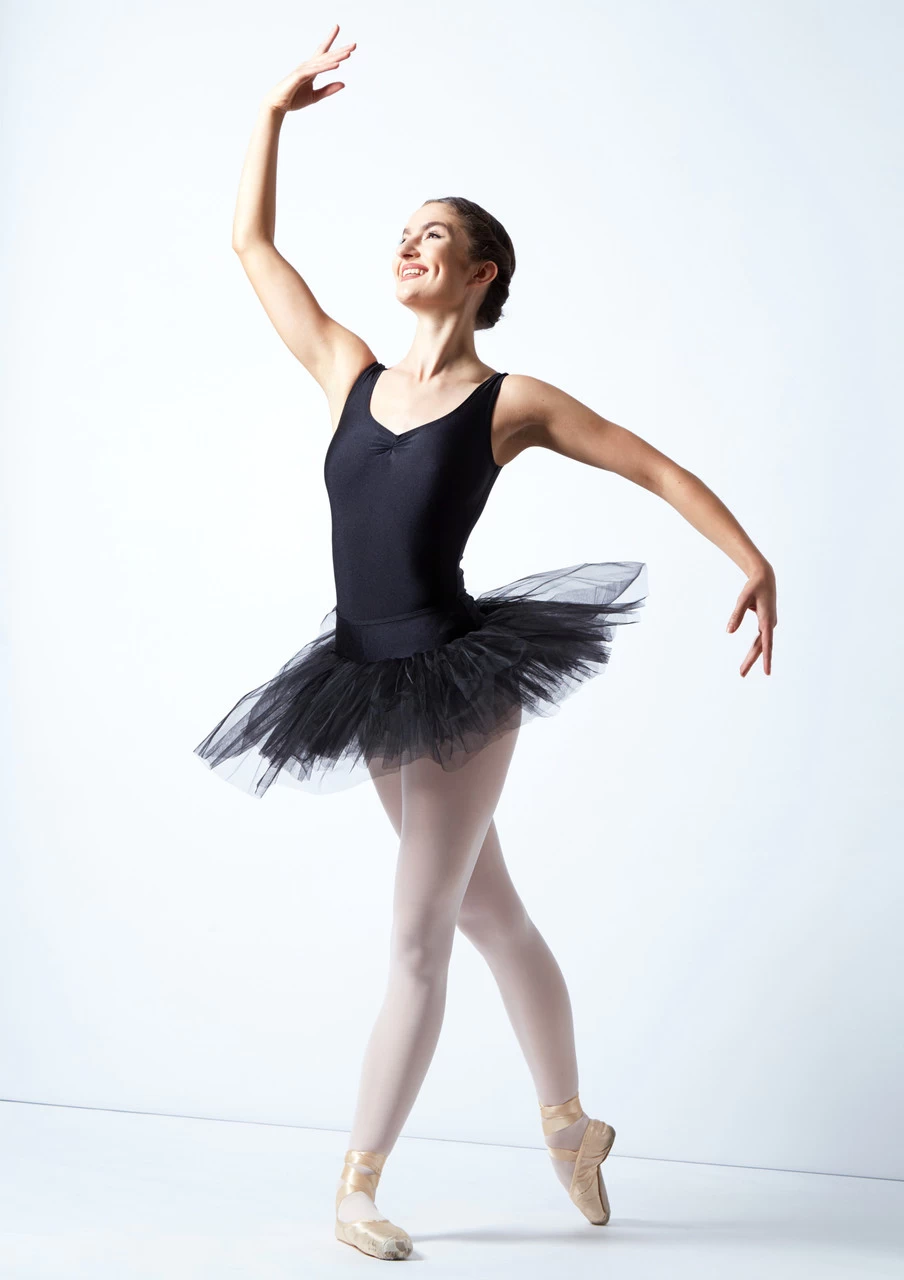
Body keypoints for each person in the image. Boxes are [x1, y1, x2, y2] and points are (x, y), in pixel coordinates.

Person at [193, 27, 778, 1261]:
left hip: (459, 681)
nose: (405, 246)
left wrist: (751, 560)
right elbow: (250, 246)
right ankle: (572, 1123)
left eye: (432, 236)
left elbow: (654, 466)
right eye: (401, 233)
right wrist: (271, 114)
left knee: (416, 934)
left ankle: (356, 1184)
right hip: (363, 678)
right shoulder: (347, 372)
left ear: (479, 272)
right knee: (488, 913)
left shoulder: (508, 402)